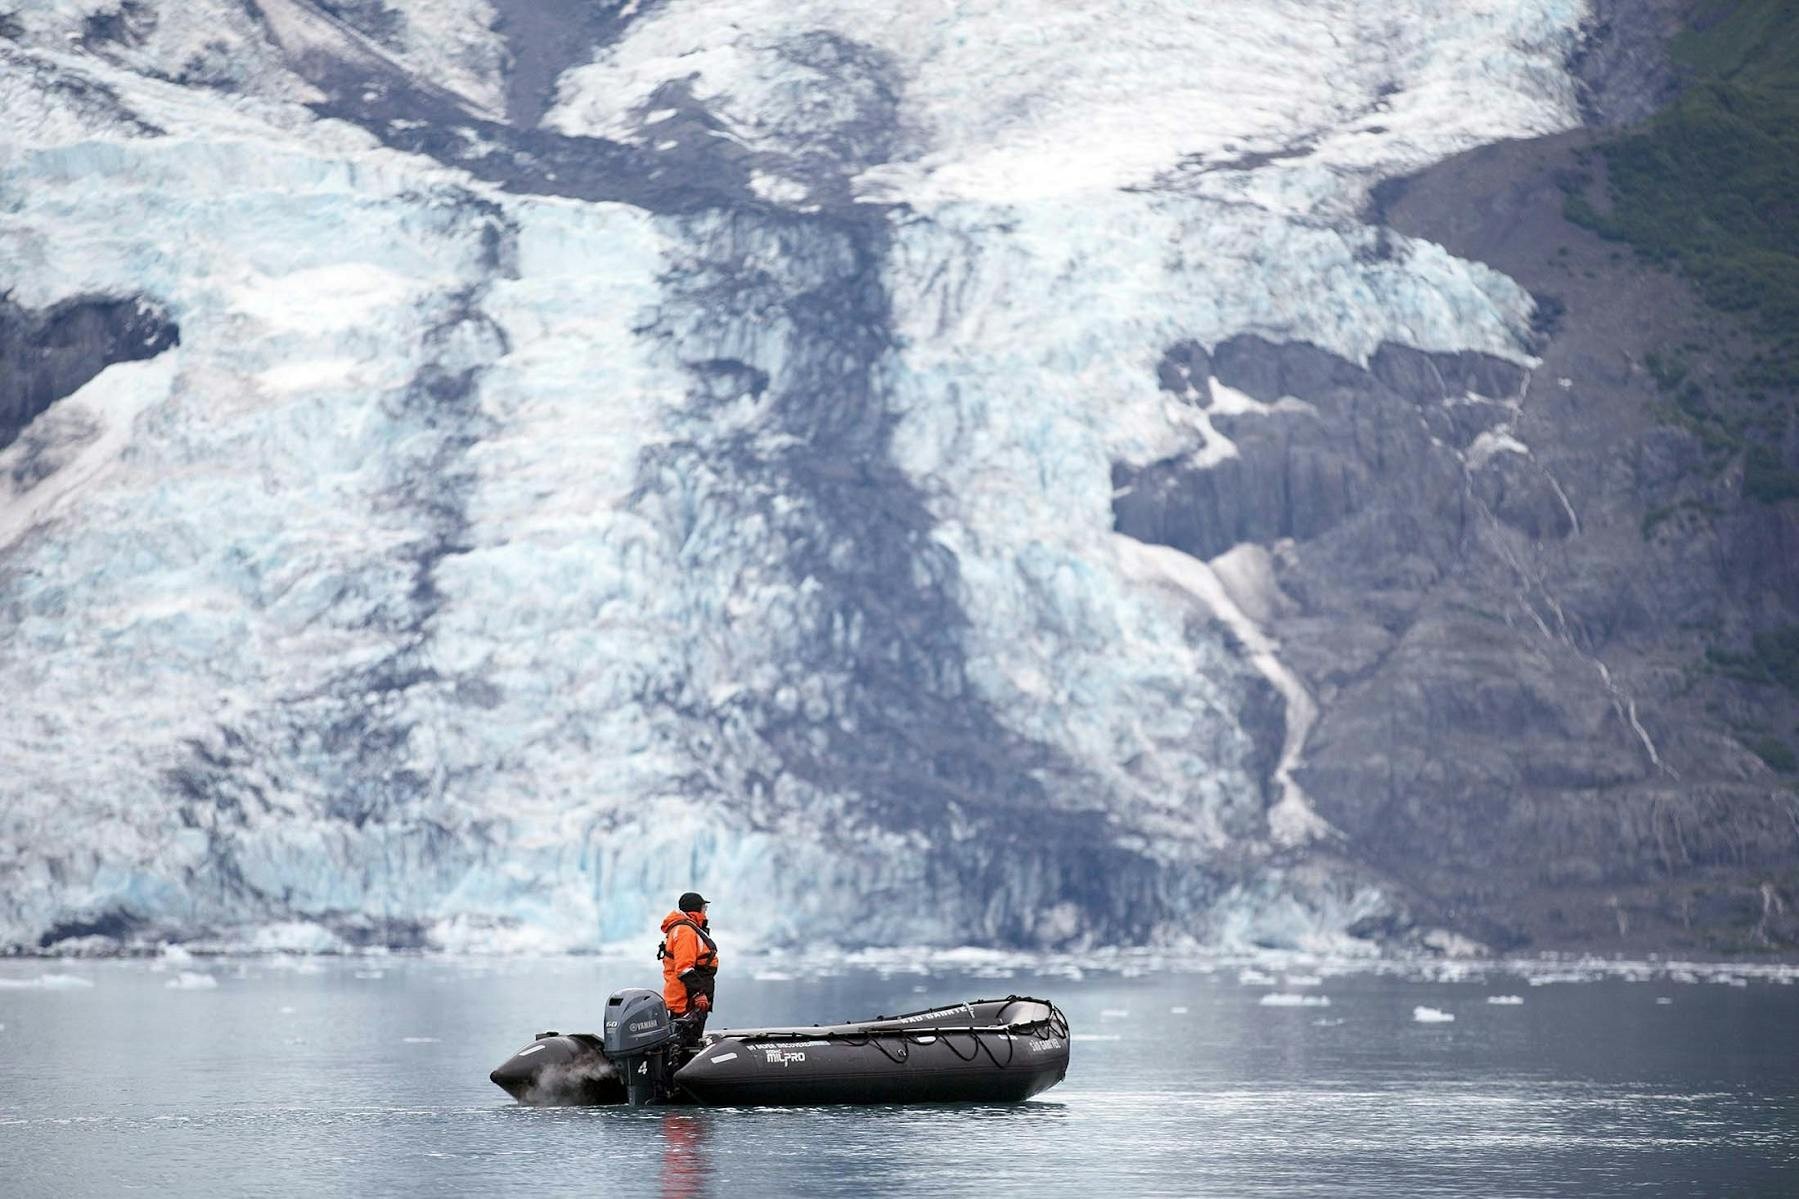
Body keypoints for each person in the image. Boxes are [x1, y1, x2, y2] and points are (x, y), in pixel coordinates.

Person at [658, 892, 719, 1043]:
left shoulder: (685, 928)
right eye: (703, 908)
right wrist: (698, 994)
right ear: (695, 910)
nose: (705, 911)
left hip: (687, 998)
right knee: (686, 1042)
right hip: (687, 1001)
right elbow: (684, 969)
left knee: (683, 1040)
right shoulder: (686, 932)